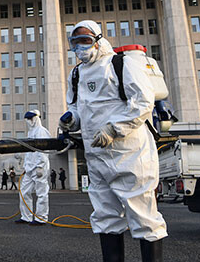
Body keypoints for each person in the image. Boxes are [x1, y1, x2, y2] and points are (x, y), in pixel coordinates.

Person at [59, 20, 167, 261]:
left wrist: (114, 129)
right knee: (105, 217)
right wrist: (70, 120)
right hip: (96, 156)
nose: (80, 47)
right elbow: (77, 109)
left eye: (85, 41)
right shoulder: (76, 74)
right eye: (75, 43)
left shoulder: (121, 63)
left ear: (98, 40)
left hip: (131, 154)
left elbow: (142, 102)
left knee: (144, 218)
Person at [15, 109, 51, 226]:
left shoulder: (41, 131)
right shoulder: (30, 133)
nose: (29, 121)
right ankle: (26, 216)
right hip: (30, 169)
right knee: (24, 192)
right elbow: (29, 153)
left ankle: (41, 218)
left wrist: (40, 166)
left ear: (36, 118)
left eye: (31, 118)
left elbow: (43, 150)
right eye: (28, 119)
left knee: (41, 193)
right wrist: (26, 166)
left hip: (39, 168)